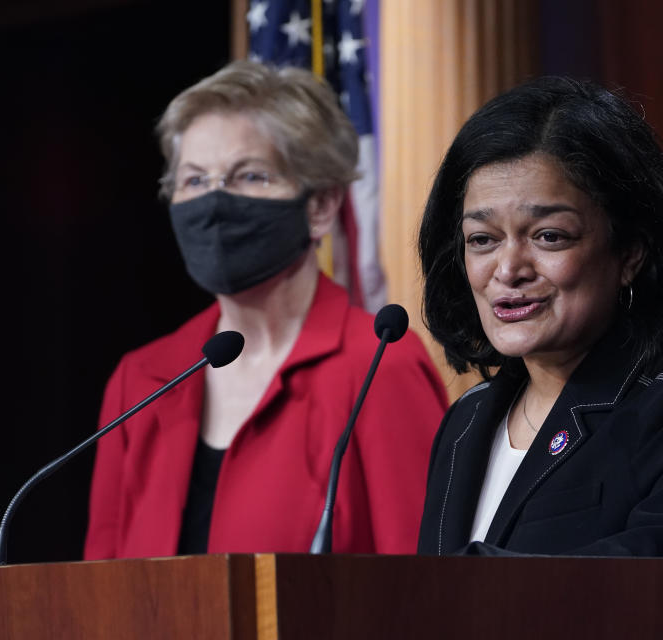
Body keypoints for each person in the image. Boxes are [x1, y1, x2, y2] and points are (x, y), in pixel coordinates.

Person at [416, 77, 663, 640]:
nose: (508, 269)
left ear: (629, 252)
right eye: (482, 240)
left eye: (549, 236)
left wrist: (478, 585)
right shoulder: (466, 421)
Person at [84, 61, 447, 559]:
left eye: (249, 176)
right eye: (193, 181)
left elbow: (427, 587)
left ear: (320, 206)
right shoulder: (141, 380)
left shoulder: (380, 366)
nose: (214, 203)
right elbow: (99, 589)